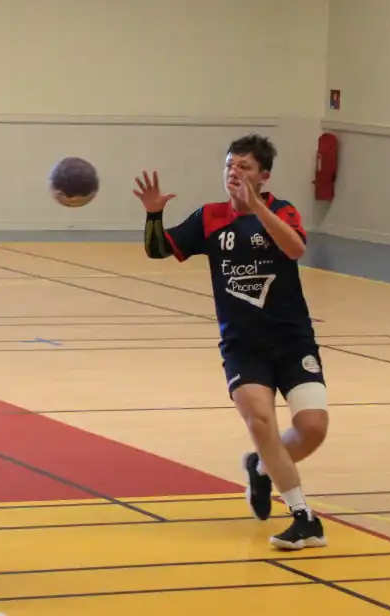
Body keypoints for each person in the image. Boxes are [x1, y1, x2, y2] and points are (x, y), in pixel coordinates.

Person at [134, 134, 328, 551]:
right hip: (243, 346)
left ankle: (261, 468)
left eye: (244, 166)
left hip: (293, 341)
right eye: (229, 165)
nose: (233, 172)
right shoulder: (210, 217)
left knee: (312, 430)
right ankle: (303, 517)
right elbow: (157, 250)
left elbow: (295, 249)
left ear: (264, 175)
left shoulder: (282, 211)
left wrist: (256, 207)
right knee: (260, 421)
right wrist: (153, 215)